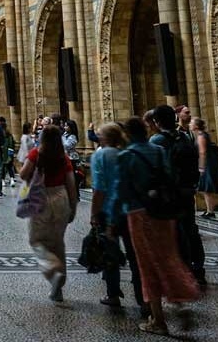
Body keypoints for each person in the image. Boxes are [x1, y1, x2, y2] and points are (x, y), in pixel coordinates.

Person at [117, 116, 200, 335]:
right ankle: (179, 303)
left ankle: (158, 319)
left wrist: (110, 217)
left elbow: (122, 190)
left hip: (138, 214)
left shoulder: (126, 156)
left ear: (127, 134)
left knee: (147, 264)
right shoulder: (157, 150)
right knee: (168, 256)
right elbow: (170, 176)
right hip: (163, 212)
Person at [149, 105, 207, 286]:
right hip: (187, 190)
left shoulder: (157, 140)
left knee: (172, 231)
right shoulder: (185, 137)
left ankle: (178, 269)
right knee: (190, 228)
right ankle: (198, 268)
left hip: (169, 193)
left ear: (157, 122)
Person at [19, 124, 77, 302]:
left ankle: (52, 269)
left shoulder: (36, 154)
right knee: (58, 243)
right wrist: (72, 207)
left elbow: (22, 174)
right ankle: (57, 288)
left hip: (40, 199)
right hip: (60, 198)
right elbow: (71, 183)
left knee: (36, 239)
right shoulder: (63, 157)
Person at [90, 121, 142, 310]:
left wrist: (94, 214)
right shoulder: (127, 153)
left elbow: (98, 189)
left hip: (107, 210)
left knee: (110, 254)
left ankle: (113, 294)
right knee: (135, 254)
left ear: (104, 137)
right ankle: (142, 298)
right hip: (129, 208)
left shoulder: (100, 155)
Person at [192, 118, 218, 218]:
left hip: (206, 165)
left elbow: (202, 152)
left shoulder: (201, 136)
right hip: (208, 164)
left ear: (196, 126)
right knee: (206, 189)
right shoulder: (203, 135)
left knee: (207, 188)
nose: (190, 125)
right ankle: (209, 209)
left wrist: (201, 167)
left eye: (192, 123)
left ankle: (210, 210)